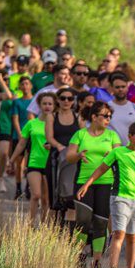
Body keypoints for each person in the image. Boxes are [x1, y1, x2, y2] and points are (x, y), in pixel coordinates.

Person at [78, 122, 135, 268]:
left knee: (133, 236)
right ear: (130, 136)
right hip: (120, 197)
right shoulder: (118, 152)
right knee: (119, 233)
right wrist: (87, 184)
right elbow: (101, 169)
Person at [66, 102, 121, 268]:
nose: (108, 119)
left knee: (101, 222)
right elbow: (69, 157)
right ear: (94, 117)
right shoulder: (80, 134)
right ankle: (80, 255)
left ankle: (96, 261)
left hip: (106, 183)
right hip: (84, 181)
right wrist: (78, 155)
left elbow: (119, 156)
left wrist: (112, 156)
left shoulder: (112, 136)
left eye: (109, 116)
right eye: (105, 116)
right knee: (83, 219)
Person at [9, 92, 56, 223]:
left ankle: (44, 227)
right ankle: (30, 225)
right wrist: (12, 160)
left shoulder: (56, 124)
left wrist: (52, 145)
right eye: (44, 104)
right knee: (36, 195)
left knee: (46, 199)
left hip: (50, 163)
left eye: (50, 104)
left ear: (54, 106)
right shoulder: (31, 123)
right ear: (39, 105)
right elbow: (22, 143)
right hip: (34, 162)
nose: (47, 106)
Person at [45, 87, 81, 215]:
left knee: (71, 195)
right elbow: (49, 137)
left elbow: (83, 136)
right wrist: (59, 146)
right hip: (56, 156)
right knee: (54, 193)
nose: (66, 101)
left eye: (70, 98)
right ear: (58, 100)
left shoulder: (78, 116)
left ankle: (69, 228)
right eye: (63, 98)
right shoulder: (52, 116)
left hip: (73, 158)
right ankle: (52, 227)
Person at [10, 76, 34, 200]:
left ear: (31, 86)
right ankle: (18, 187)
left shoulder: (36, 101)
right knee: (19, 164)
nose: (25, 86)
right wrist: (20, 135)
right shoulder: (17, 102)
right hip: (18, 136)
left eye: (27, 83)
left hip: (33, 136)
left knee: (30, 164)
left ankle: (28, 187)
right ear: (19, 87)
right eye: (22, 84)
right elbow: (15, 119)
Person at [108, 73, 135, 145]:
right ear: (111, 88)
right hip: (112, 151)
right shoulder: (106, 107)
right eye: (117, 87)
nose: (120, 89)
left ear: (127, 87)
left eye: (123, 87)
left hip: (131, 151)